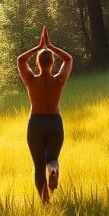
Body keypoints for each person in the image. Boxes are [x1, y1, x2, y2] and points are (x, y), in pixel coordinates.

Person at [16, 26, 73, 204]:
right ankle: (54, 172)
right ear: (53, 64)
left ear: (38, 64)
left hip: (36, 124)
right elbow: (69, 58)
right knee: (52, 160)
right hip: (55, 124)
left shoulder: (31, 80)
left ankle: (45, 203)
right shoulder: (58, 80)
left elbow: (20, 59)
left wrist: (39, 47)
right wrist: (51, 46)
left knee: (39, 167)